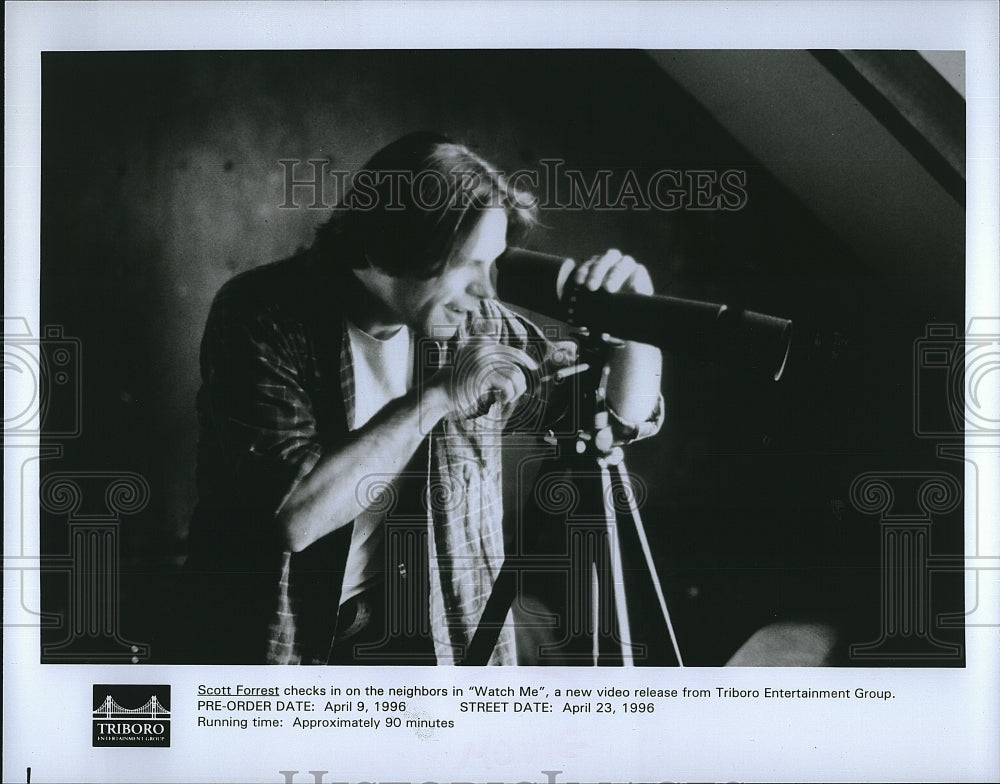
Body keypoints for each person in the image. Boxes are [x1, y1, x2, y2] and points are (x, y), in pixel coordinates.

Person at [182, 132, 662, 665]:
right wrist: (438, 396)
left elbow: (616, 420)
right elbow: (294, 519)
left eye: (494, 262)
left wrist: (635, 324)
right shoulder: (262, 313)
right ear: (396, 244)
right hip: (292, 642)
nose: (488, 289)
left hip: (439, 633)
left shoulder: (475, 321)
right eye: (468, 263)